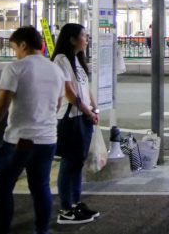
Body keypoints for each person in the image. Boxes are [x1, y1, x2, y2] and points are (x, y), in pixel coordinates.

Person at [0, 26, 65, 234]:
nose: (15, 53)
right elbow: (57, 104)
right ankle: (42, 230)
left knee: (3, 188)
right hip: (48, 139)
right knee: (40, 188)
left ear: (23, 44)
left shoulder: (16, 68)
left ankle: (2, 230)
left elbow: (2, 104)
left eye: (14, 48)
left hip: (19, 140)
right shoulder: (55, 69)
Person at [51, 23, 100, 224]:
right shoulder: (61, 60)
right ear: (72, 39)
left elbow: (85, 89)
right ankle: (65, 209)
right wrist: (89, 112)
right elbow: (69, 93)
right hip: (71, 118)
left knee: (77, 163)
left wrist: (94, 110)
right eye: (84, 36)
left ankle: (76, 203)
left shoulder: (77, 60)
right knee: (69, 162)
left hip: (83, 117)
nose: (87, 39)